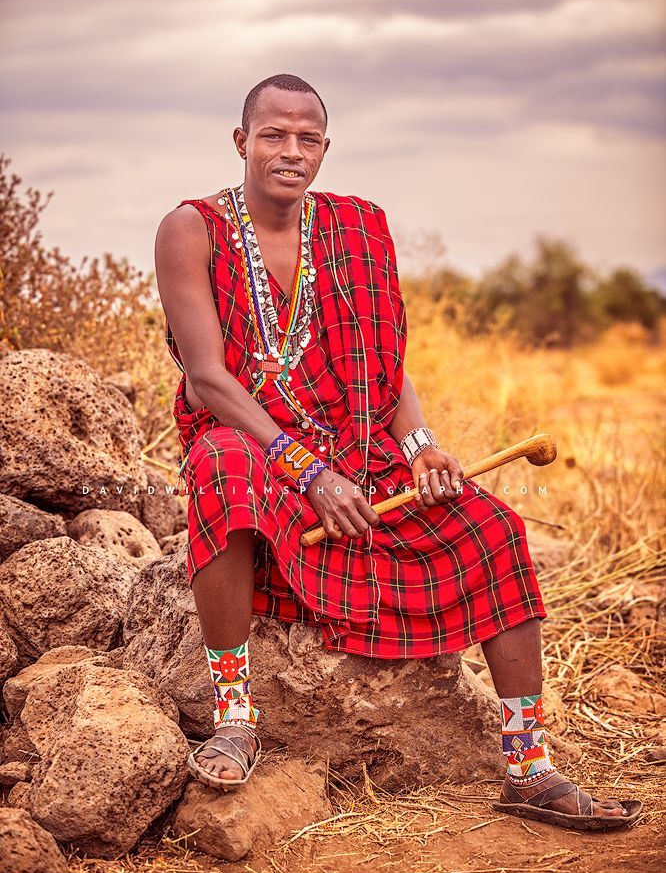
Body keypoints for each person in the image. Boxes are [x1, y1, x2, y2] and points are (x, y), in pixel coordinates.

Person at [154, 73, 641, 828]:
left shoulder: (356, 226)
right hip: (251, 437)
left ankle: (527, 766)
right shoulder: (192, 229)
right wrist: (308, 473)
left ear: (325, 148)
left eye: (307, 138)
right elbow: (208, 378)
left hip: (353, 443)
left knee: (495, 529)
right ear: (241, 141)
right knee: (221, 472)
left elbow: (382, 361)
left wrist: (420, 446)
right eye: (274, 135)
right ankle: (235, 715)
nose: (291, 151)